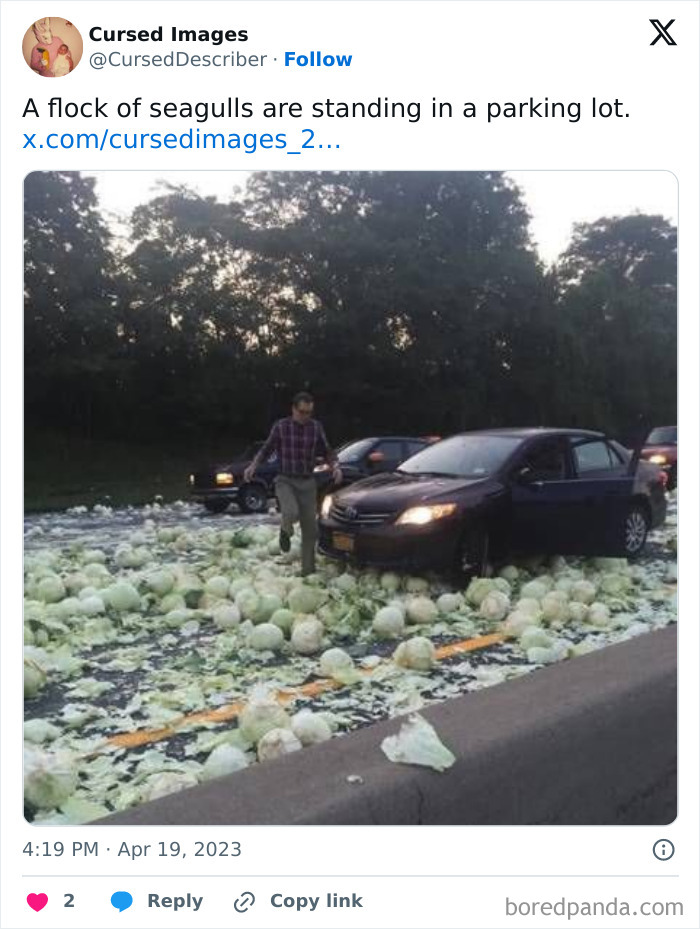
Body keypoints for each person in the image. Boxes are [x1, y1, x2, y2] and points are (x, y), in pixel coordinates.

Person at [244, 392, 342, 576]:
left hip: (307, 481)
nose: (305, 416)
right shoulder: (281, 426)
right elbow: (266, 449)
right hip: (285, 480)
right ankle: (285, 530)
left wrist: (335, 466)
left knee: (310, 530)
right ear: (293, 409)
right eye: (302, 412)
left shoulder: (315, 427)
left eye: (309, 413)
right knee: (290, 512)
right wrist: (253, 465)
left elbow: (328, 451)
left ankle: (308, 571)